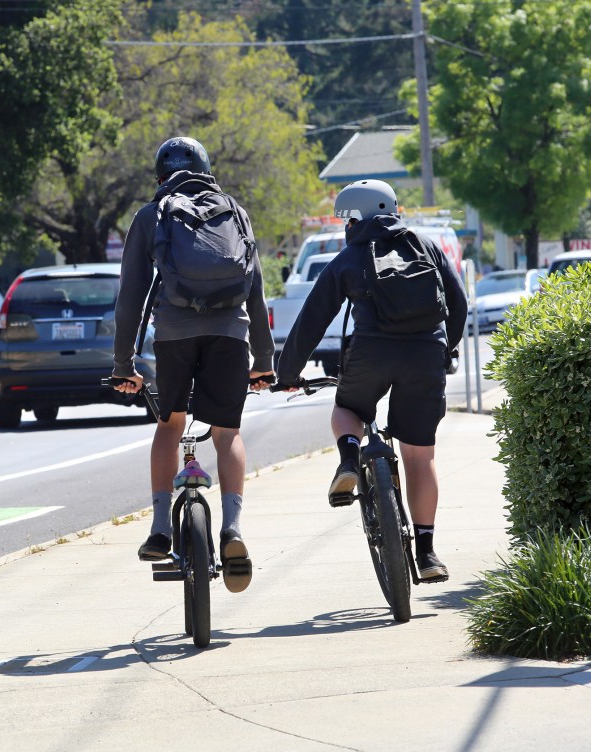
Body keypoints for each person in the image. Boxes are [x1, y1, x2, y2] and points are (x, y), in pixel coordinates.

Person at [275, 179, 467, 581]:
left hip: (371, 354)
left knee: (348, 408)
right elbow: (458, 302)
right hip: (425, 356)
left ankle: (349, 458)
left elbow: (312, 319)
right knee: (420, 456)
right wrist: (444, 350)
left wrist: (288, 373)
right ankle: (428, 554)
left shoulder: (349, 257)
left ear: (356, 219)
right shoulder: (426, 245)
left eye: (347, 220)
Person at [111, 136, 275, 593]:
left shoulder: (151, 215)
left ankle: (161, 527)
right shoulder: (234, 210)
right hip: (230, 334)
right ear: (207, 169)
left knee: (170, 425)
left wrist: (123, 363)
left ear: (160, 176)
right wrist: (264, 360)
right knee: (227, 433)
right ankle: (233, 527)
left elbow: (131, 296)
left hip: (174, 335)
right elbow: (255, 289)